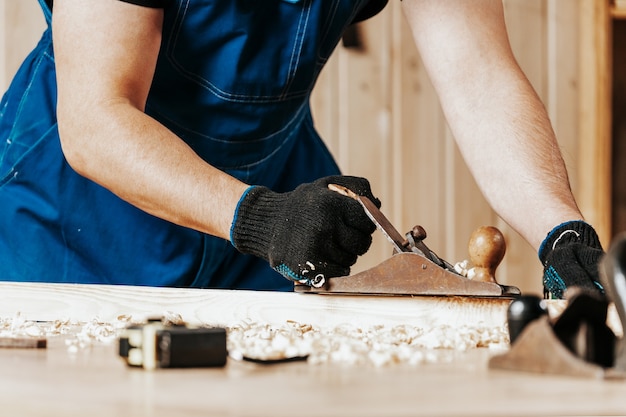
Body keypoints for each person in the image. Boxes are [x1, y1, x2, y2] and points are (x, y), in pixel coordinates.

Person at [0, 0, 604, 298]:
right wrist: (258, 217)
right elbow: (96, 118)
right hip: (77, 220)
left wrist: (561, 229)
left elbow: (479, 75)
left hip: (273, 199)